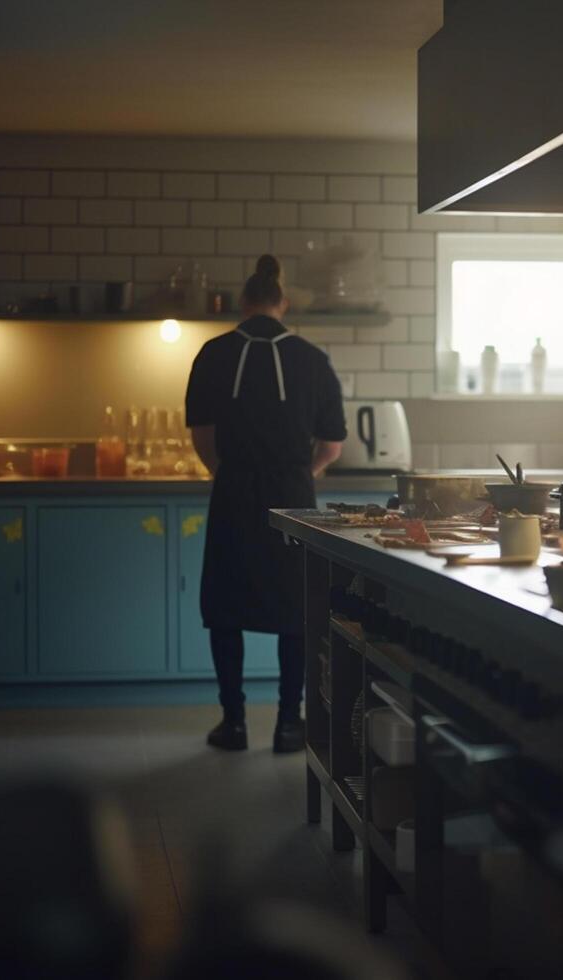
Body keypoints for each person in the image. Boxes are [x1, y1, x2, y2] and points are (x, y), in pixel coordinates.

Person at [186, 256, 346, 752]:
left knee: (225, 607)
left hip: (233, 493)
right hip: (294, 500)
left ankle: (232, 722)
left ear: (243, 303)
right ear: (284, 304)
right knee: (294, 609)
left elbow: (203, 436)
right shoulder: (313, 359)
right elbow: (332, 445)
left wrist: (226, 472)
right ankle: (289, 722)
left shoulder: (212, 354)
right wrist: (302, 474)